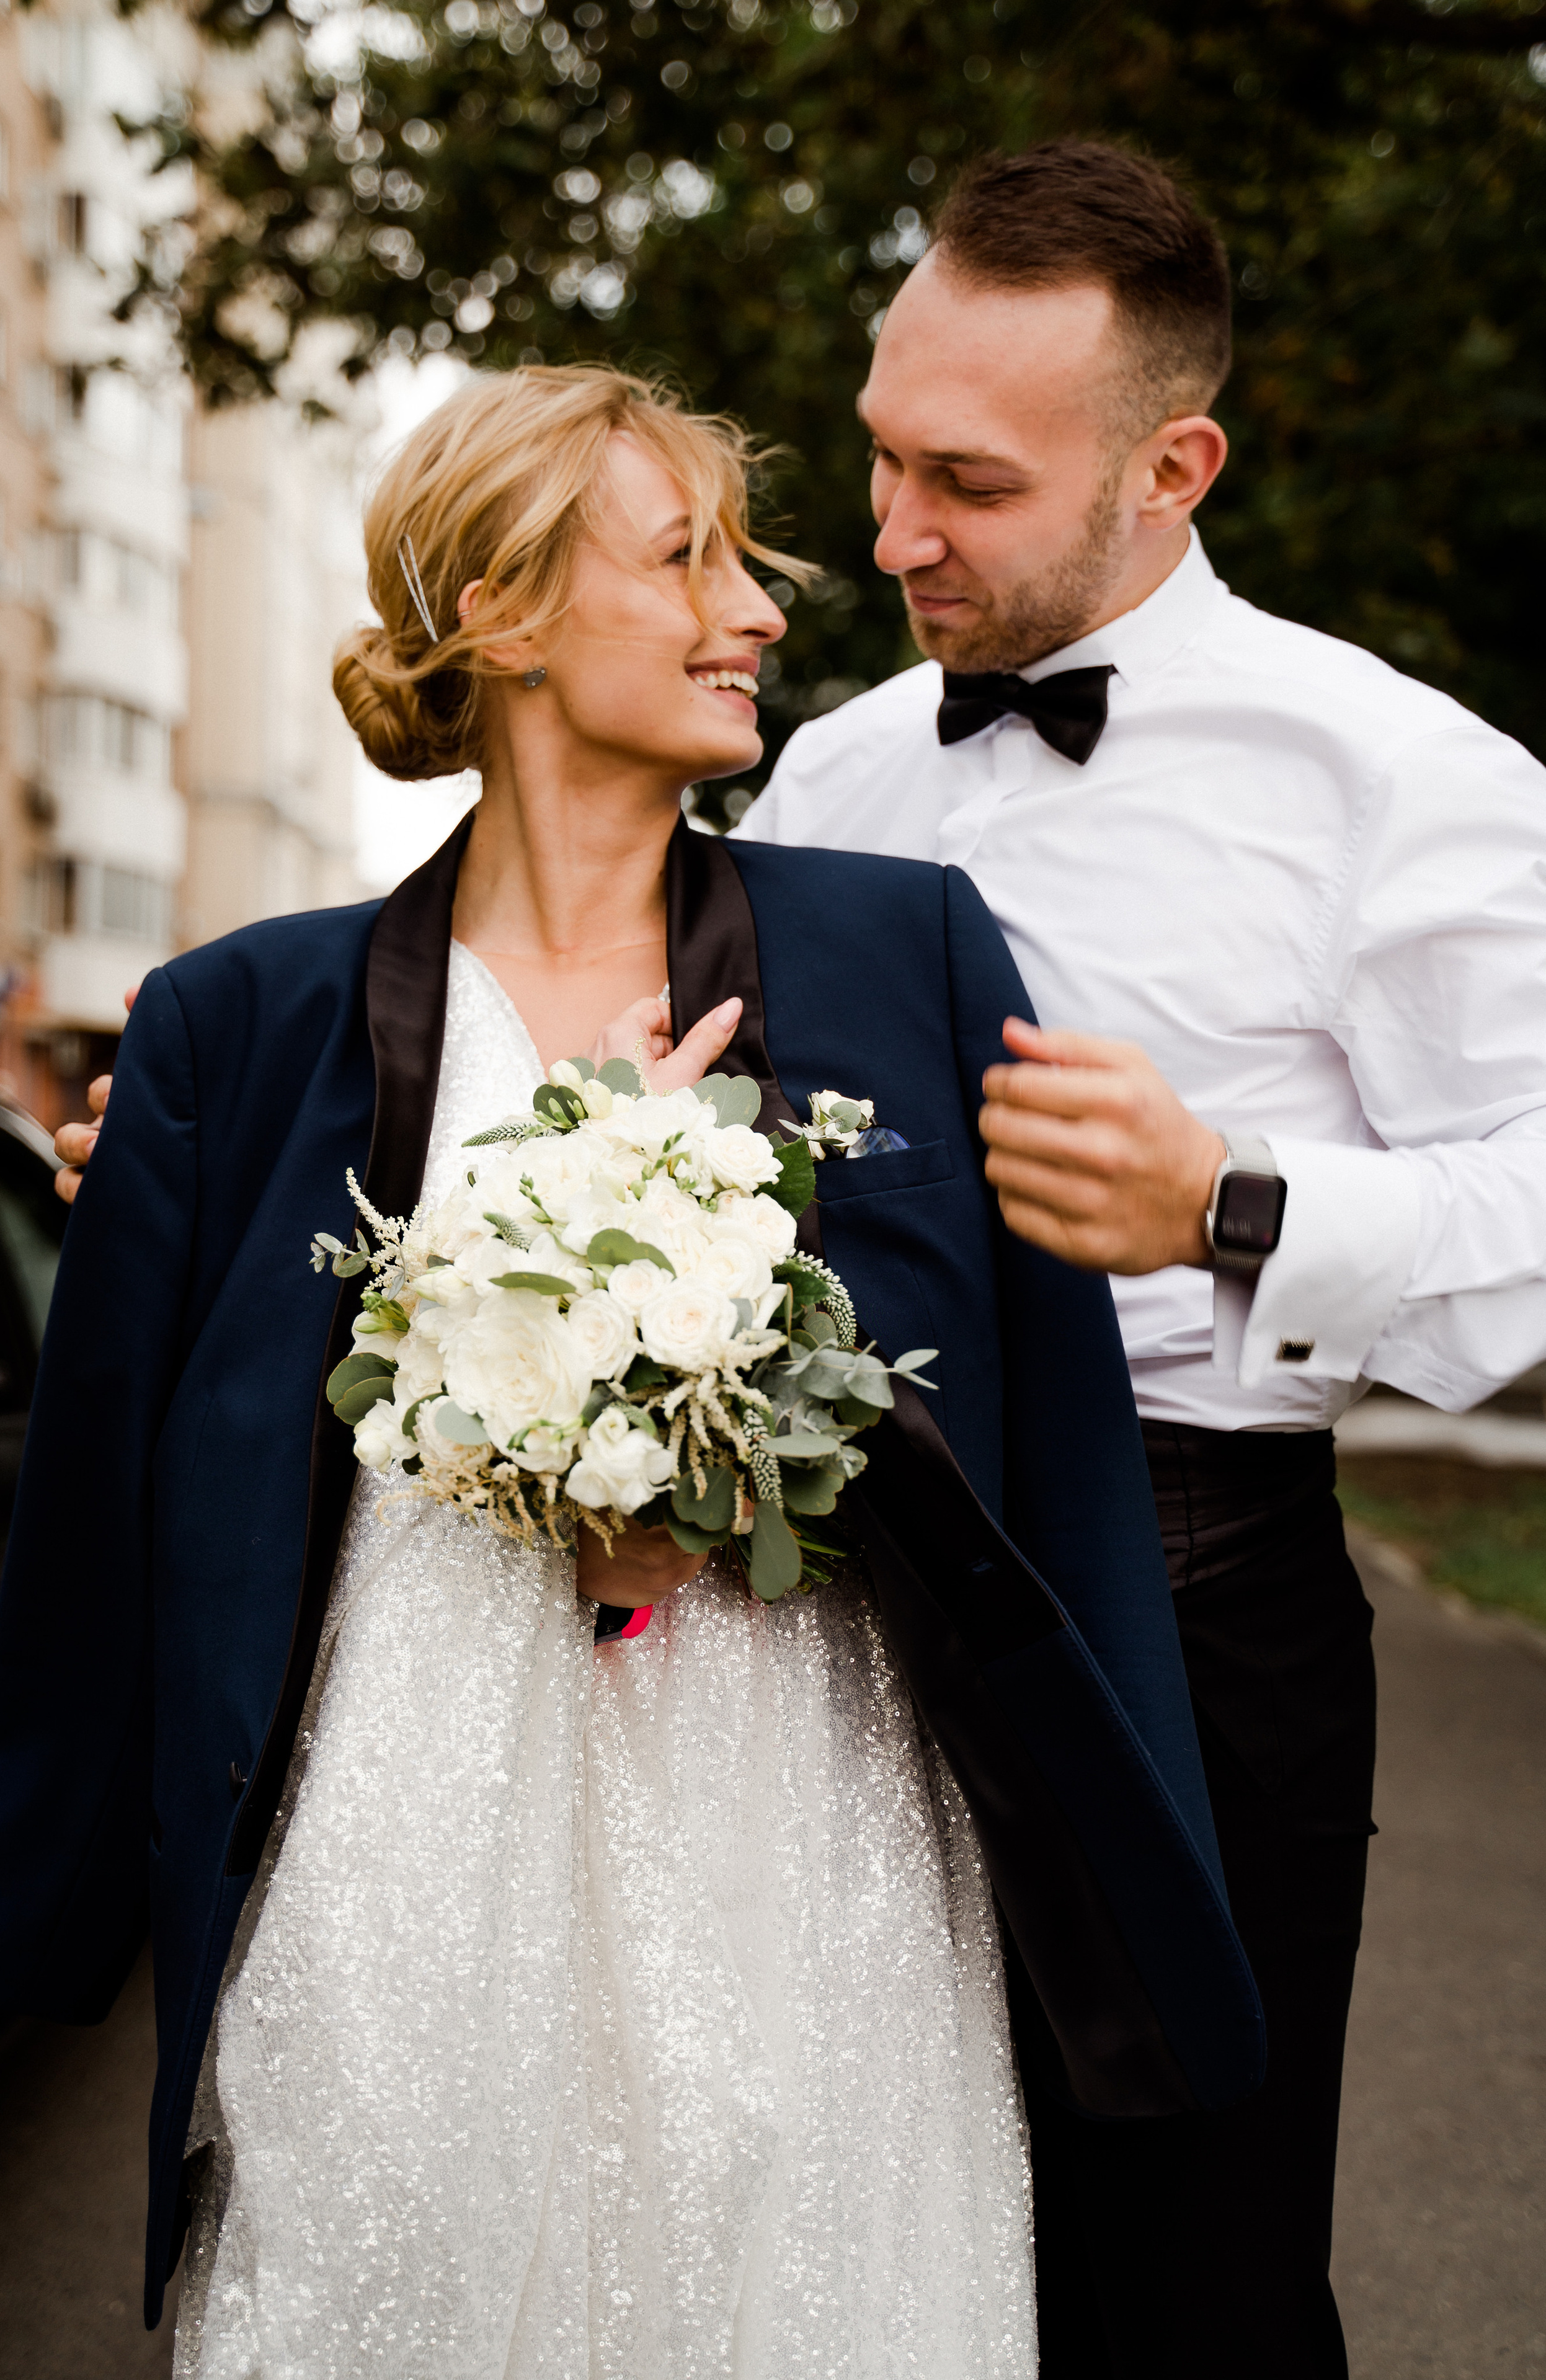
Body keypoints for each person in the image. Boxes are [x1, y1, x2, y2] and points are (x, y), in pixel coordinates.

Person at [0, 364, 1261, 2373]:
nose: (759, 611)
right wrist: (24, 1909)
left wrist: (1142, 1902)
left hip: (813, 1854)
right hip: (395, 1859)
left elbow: (1056, 1458)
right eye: (689, 560)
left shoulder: (914, 952)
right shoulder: (232, 1027)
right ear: (498, 610)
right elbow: (100, 1522)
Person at [740, 139, 1546, 2379]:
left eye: (967, 484)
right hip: (829, 1613)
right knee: (882, 2260)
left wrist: (1233, 1203)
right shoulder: (828, 773)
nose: (892, 535)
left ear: (1172, 465)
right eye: (884, 453)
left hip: (1198, 1623)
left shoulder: (1408, 777)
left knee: (1187, 2288)